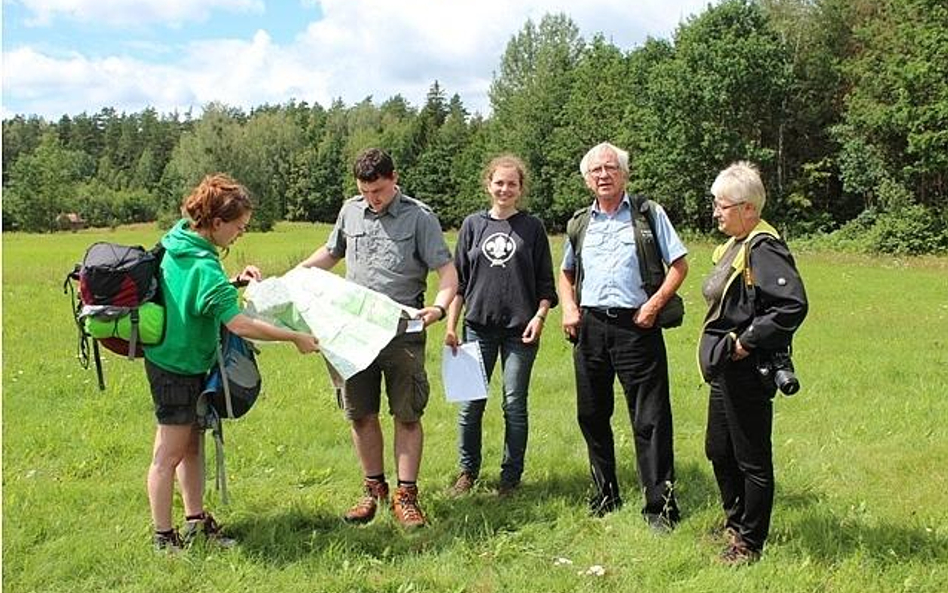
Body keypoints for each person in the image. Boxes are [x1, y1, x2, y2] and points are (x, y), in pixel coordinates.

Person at [145, 174, 320, 552]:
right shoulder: (203, 265)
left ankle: (194, 522)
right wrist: (294, 337)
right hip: (177, 367)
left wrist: (235, 282)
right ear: (217, 223)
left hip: (180, 361)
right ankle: (163, 538)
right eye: (238, 228)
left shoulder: (181, 239)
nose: (240, 234)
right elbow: (238, 324)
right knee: (168, 454)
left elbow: (195, 291)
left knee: (191, 446)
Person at [297, 148, 457, 528]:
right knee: (360, 413)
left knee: (406, 414)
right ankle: (373, 491)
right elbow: (331, 252)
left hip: (403, 331)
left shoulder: (420, 217)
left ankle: (407, 495)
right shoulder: (350, 211)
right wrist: (293, 275)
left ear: (394, 178)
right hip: (352, 332)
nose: (373, 199)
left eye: (380, 191)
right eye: (366, 192)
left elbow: (447, 272)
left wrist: (437, 309)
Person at [558, 142, 688, 530]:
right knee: (592, 414)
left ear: (625, 174)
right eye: (595, 170)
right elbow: (566, 273)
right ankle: (605, 493)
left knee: (650, 417)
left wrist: (654, 304)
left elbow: (679, 264)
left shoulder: (648, 214)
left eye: (610, 168)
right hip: (591, 328)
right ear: (586, 179)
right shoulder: (581, 222)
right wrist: (568, 308)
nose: (603, 175)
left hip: (638, 325)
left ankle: (659, 507)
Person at [699, 161, 808, 565]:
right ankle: (736, 522)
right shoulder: (736, 245)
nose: (715, 212)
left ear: (748, 208)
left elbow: (791, 305)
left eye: (721, 205)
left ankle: (749, 543)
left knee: (752, 459)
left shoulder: (765, 247)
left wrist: (745, 342)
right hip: (724, 368)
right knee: (717, 449)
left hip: (747, 368)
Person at [444, 155, 558, 497]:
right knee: (470, 406)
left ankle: (510, 478)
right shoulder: (471, 226)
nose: (505, 189)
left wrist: (539, 318)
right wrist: (451, 326)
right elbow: (458, 283)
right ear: (488, 185)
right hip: (476, 328)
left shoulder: (532, 227)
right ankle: (467, 472)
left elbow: (546, 286)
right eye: (499, 183)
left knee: (514, 404)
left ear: (520, 189)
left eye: (512, 183)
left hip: (520, 331)